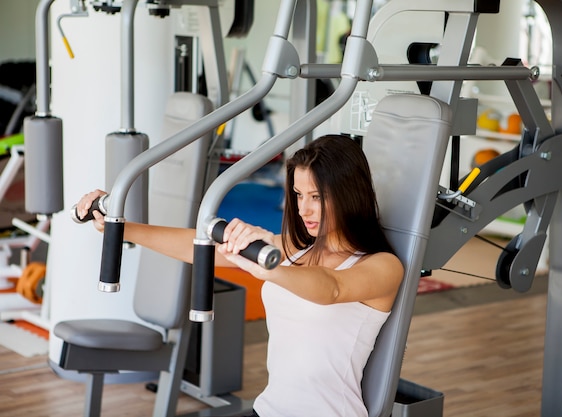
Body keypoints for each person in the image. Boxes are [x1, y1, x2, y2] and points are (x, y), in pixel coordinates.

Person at [76, 134, 404, 417]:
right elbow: (199, 247)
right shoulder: (295, 248)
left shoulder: (381, 266)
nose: (303, 210)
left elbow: (331, 289)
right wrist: (122, 229)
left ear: (349, 193)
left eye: (316, 197)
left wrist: (273, 270)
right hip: (269, 409)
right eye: (299, 195)